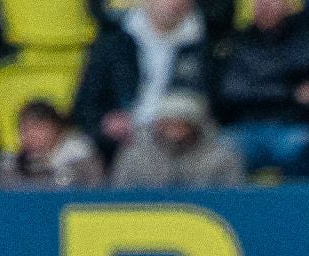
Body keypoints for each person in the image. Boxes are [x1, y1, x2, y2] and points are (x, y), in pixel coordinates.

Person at [73, 0, 213, 159]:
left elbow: (212, 103)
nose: (175, 3)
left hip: (184, 133)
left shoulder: (207, 45)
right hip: (125, 135)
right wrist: (107, 121)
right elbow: (85, 104)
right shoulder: (113, 41)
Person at [212, 0, 309, 171]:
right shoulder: (236, 42)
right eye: (259, 0)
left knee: (305, 145)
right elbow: (232, 92)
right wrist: (290, 92)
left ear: (288, 4)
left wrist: (259, 86)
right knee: (222, 148)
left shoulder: (307, 37)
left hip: (292, 125)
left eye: (273, 0)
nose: (266, 4)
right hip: (245, 126)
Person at [111, 89, 247, 187]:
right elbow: (121, 199)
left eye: (180, 122)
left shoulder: (222, 157)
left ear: (195, 126)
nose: (173, 129)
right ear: (158, 124)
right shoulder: (135, 156)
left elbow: (232, 198)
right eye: (167, 122)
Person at [0, 99, 105, 190]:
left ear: (56, 128)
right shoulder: (11, 165)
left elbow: (97, 194)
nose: (31, 135)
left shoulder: (82, 159)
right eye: (25, 129)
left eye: (38, 128)